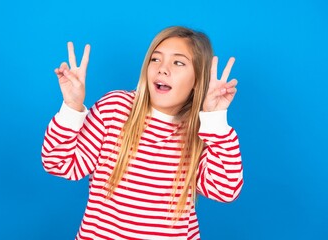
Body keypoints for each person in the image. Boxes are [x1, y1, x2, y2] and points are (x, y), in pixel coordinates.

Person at [41, 26, 243, 240]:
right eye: (155, 59)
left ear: (197, 81)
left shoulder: (203, 131)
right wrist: (72, 106)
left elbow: (225, 190)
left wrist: (216, 119)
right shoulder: (115, 109)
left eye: (178, 62)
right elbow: (59, 163)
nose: (162, 69)